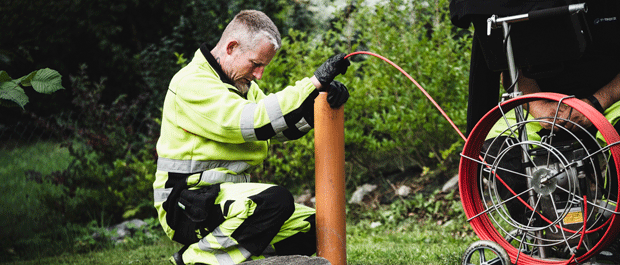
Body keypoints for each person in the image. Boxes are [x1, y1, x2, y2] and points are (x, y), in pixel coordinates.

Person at [152, 10, 351, 265]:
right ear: (231, 47)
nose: (259, 74)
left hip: (219, 203)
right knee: (275, 201)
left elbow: (276, 126)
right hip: (185, 206)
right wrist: (311, 85)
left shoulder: (242, 86)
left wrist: (316, 104)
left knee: (315, 226)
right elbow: (250, 121)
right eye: (256, 64)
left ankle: (233, 260)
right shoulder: (191, 83)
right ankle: (195, 259)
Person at [450, 0, 620, 262]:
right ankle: (545, 240)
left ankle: (610, 233)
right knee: (496, 147)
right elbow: (507, 61)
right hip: (538, 102)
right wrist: (538, 105)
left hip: (608, 97)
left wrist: (595, 103)